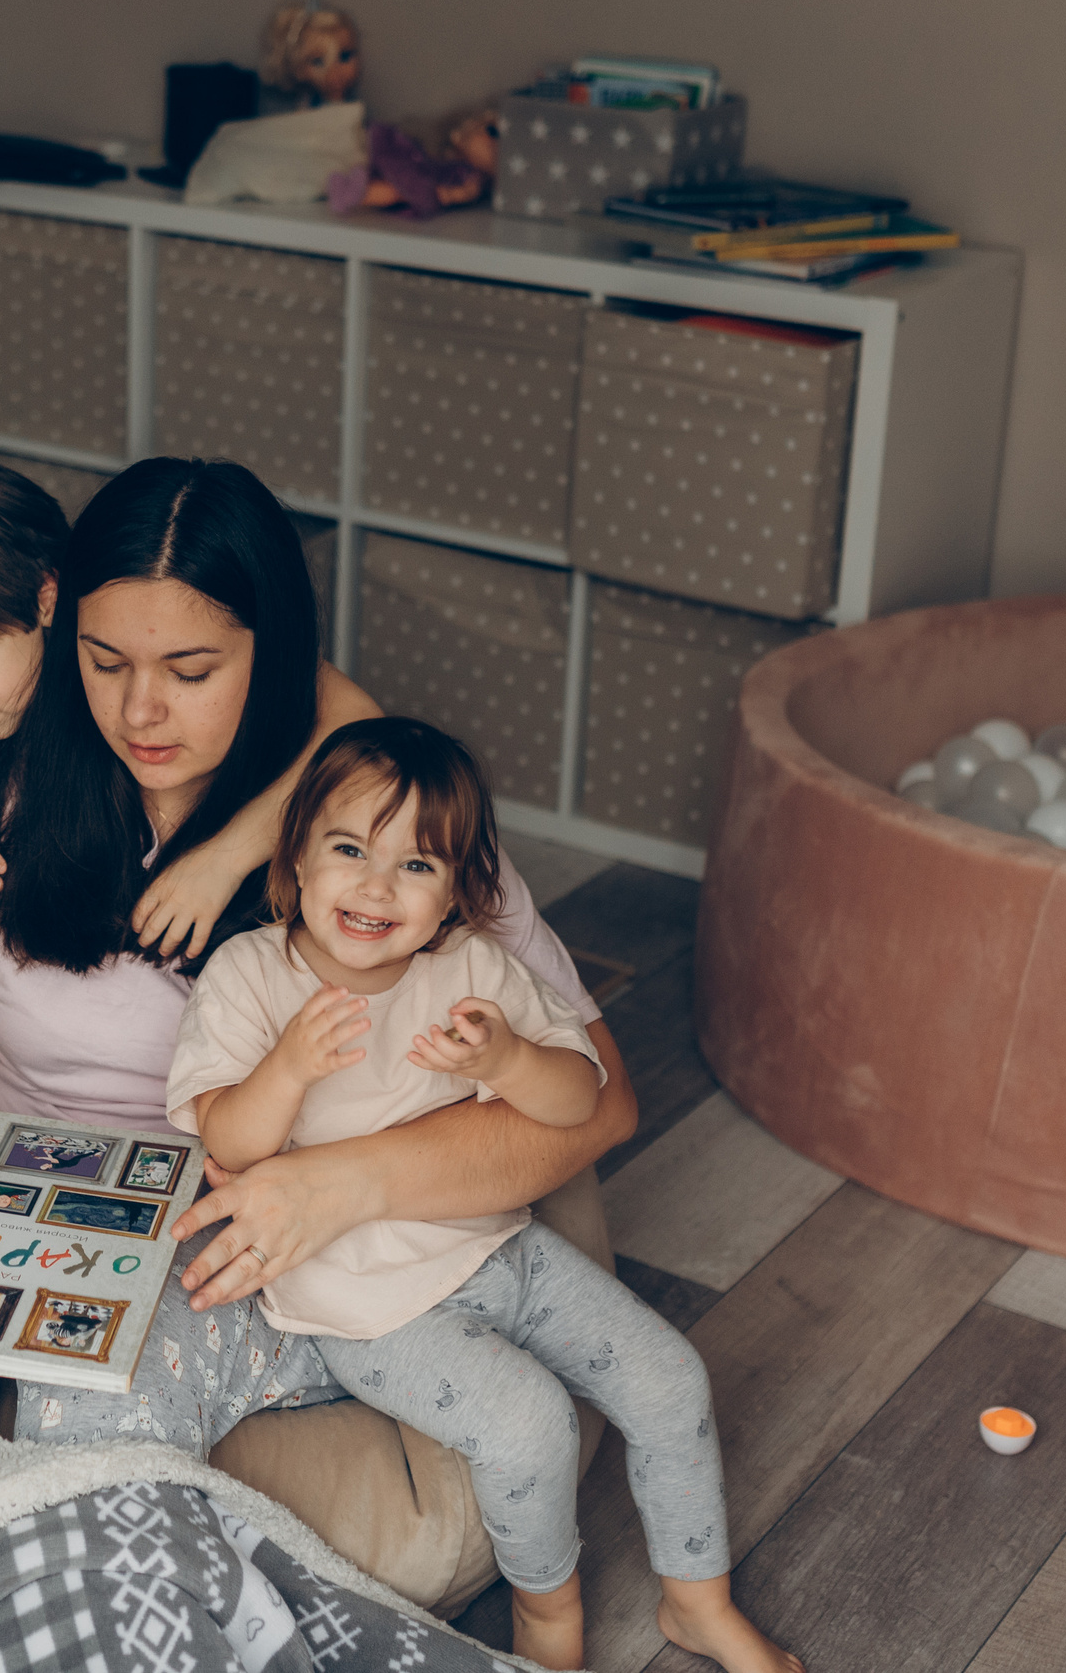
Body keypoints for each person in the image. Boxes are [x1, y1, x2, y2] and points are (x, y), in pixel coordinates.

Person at [0, 455, 632, 1460]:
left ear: (271, 661)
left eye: (190, 673)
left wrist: (343, 1184)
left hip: (224, 1223)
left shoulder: (385, 844)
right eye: (103, 662)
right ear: (58, 626)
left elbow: (599, 1098)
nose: (142, 713)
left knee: (97, 1429)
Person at [172, 717, 800, 1673]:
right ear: (294, 858)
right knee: (532, 1424)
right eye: (348, 850)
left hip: (500, 1249)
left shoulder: (472, 971)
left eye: (417, 865)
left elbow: (582, 1098)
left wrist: (509, 1056)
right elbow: (228, 1137)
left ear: (458, 891)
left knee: (671, 1378)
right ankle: (548, 1622)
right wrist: (287, 1069)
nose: (376, 886)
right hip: (370, 1306)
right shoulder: (252, 975)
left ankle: (695, 1599)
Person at [0, 453, 382, 961]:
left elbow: (358, 723)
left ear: (47, 601)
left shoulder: (98, 606)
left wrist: (226, 858)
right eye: (105, 662)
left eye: (188, 672)